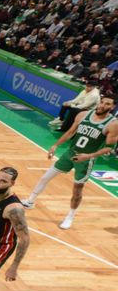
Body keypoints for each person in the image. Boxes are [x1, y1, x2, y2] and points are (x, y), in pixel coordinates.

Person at [22, 96, 118, 229]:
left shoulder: (113, 124)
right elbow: (70, 132)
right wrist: (55, 145)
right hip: (70, 153)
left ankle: (70, 216)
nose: (102, 105)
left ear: (112, 107)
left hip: (86, 159)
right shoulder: (83, 114)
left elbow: (109, 148)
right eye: (102, 102)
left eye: (107, 104)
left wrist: (89, 156)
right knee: (45, 177)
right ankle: (30, 201)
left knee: (77, 190)